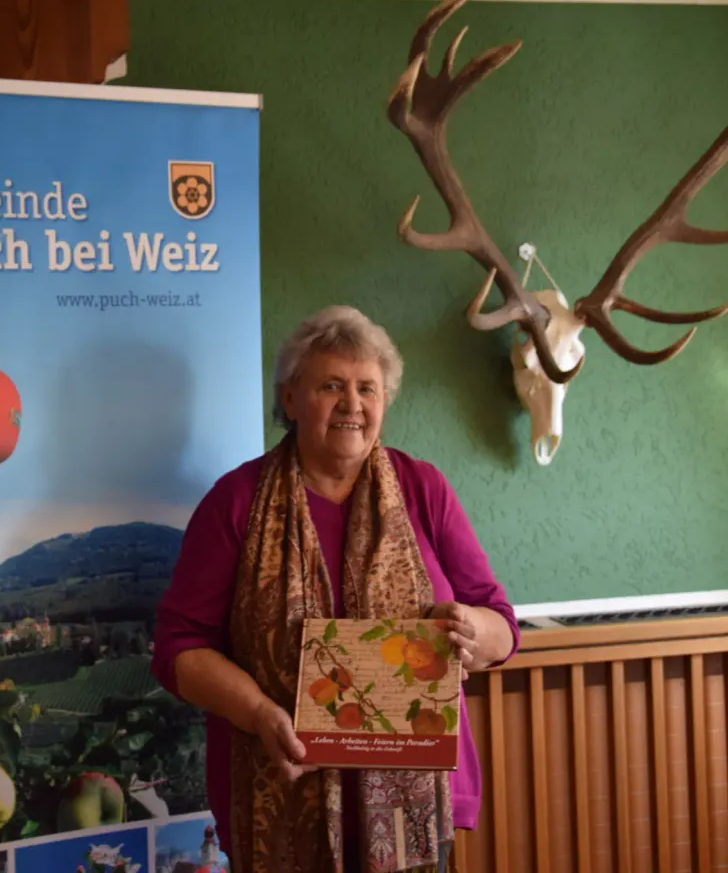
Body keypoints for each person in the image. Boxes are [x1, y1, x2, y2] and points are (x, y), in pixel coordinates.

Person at [151, 305, 520, 873]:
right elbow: (179, 650)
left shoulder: (425, 488)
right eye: (331, 385)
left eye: (368, 388)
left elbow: (501, 624)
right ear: (291, 398)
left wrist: (474, 631)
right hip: (278, 786)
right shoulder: (236, 502)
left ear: (384, 402)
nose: (352, 404)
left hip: (414, 807)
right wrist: (257, 712)